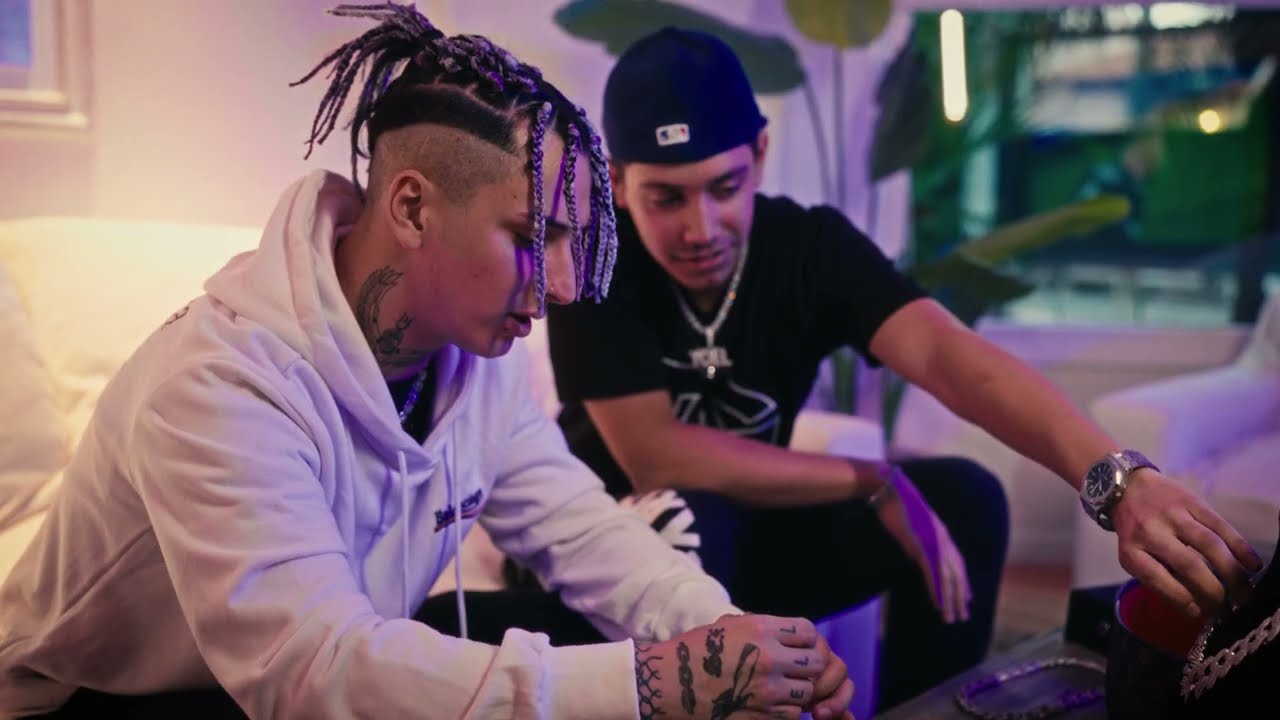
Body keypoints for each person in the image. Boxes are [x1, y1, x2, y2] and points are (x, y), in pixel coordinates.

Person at [0, 6, 854, 720]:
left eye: (571, 242)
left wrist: (741, 643)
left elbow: (582, 532)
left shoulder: (479, 359)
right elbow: (313, 673)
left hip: (310, 664)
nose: (562, 284)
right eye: (532, 237)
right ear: (412, 209)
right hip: (105, 700)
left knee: (568, 641)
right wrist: (654, 683)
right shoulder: (218, 387)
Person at [545, 26, 1265, 710]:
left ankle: (923, 712)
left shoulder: (808, 247)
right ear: (619, 180)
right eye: (667, 198)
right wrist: (873, 478)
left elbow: (949, 356)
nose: (700, 228)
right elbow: (656, 454)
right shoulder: (592, 259)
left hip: (756, 540)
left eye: (725, 188)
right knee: (692, 514)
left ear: (759, 155)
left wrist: (1118, 480)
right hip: (613, 565)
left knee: (964, 499)